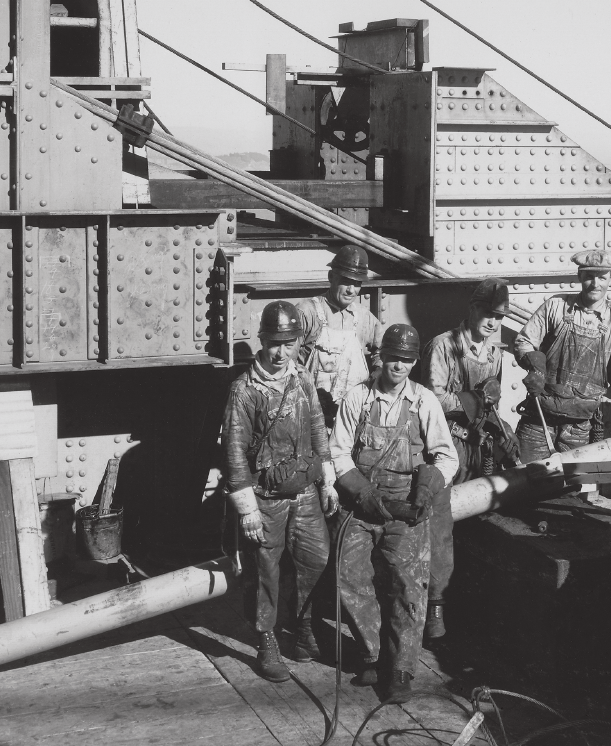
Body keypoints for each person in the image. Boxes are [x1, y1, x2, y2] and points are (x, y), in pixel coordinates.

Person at [330, 324, 458, 702]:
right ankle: (371, 655)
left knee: (408, 585)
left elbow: (446, 456)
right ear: (381, 357)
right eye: (392, 358)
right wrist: (362, 492)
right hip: (362, 505)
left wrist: (426, 490)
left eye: (406, 359)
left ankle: (401, 669)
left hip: (406, 506)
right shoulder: (357, 398)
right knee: (349, 575)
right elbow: (338, 453)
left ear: (414, 362)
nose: (398, 365)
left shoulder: (424, 401)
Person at [222, 301, 339, 682]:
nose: (281, 352)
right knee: (265, 571)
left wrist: (327, 480)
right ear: (262, 341)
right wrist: (247, 510)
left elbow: (318, 428)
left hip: (304, 492)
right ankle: (267, 641)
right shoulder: (244, 391)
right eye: (274, 343)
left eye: (288, 344)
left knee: (316, 558)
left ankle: (303, 629)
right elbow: (234, 451)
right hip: (265, 497)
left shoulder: (302, 378)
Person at [419, 278, 520, 639]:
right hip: (445, 448)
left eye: (499, 317)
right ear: (472, 309)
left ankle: (467, 602)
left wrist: (503, 432)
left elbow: (489, 407)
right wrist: (471, 401)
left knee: (478, 522)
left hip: (478, 450)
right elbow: (430, 398)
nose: (493, 322)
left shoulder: (494, 354)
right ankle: (434, 608)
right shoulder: (443, 346)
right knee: (441, 528)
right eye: (487, 313)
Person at [514, 250, 611, 461]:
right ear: (579, 276)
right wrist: (536, 367)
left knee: (573, 480)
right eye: (589, 276)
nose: (595, 284)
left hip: (581, 426)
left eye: (602, 277)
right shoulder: (556, 306)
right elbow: (524, 341)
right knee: (526, 474)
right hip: (539, 418)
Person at [296, 245, 386, 428]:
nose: (351, 290)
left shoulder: (364, 317)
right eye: (346, 281)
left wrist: (378, 369)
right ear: (331, 277)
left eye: (357, 283)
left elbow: (384, 351)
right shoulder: (307, 312)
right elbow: (288, 362)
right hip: (312, 415)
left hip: (353, 415)